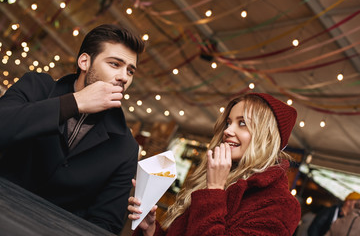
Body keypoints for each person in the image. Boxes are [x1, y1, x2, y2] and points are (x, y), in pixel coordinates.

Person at [0, 24, 145, 234]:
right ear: (84, 61)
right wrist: (74, 103)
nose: (124, 77)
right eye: (115, 64)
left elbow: (105, 225)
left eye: (130, 70)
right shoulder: (37, 87)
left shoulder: (126, 147)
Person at [128, 93, 301, 236]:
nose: (227, 131)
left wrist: (214, 191)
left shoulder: (281, 205)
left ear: (267, 137)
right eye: (228, 122)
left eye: (242, 123)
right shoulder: (219, 178)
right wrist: (151, 231)